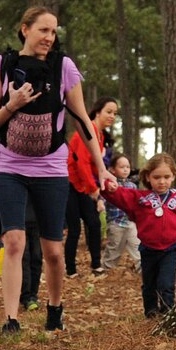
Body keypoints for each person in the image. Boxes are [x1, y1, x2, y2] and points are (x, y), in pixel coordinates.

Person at [0, 5, 111, 335]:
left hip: (51, 167)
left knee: (53, 251)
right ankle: (11, 319)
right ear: (25, 29)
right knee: (13, 241)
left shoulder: (63, 67)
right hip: (9, 166)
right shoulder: (2, 65)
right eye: (43, 30)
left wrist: (101, 168)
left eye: (54, 32)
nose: (49, 37)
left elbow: (83, 120)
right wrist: (13, 104)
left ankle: (55, 310)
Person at [102, 153, 176, 316]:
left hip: (170, 249)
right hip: (148, 249)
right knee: (149, 283)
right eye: (157, 177)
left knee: (166, 283)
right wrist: (109, 186)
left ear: (173, 176)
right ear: (148, 177)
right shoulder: (139, 198)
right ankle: (151, 312)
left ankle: (167, 311)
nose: (162, 181)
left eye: (167, 177)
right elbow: (118, 195)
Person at [64, 98, 119, 278]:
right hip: (70, 184)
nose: (112, 116)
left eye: (115, 113)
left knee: (94, 224)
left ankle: (96, 265)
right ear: (97, 112)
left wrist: (105, 181)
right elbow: (81, 164)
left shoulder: (100, 135)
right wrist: (93, 188)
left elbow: (95, 164)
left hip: (84, 185)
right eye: (109, 111)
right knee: (74, 229)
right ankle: (70, 269)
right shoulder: (87, 130)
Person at [104, 153, 140, 269]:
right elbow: (103, 197)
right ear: (112, 170)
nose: (125, 170)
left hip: (130, 223)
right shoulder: (110, 185)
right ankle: (107, 268)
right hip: (116, 222)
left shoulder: (133, 186)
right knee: (114, 247)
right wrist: (100, 203)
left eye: (128, 167)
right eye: (122, 167)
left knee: (136, 245)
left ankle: (143, 268)